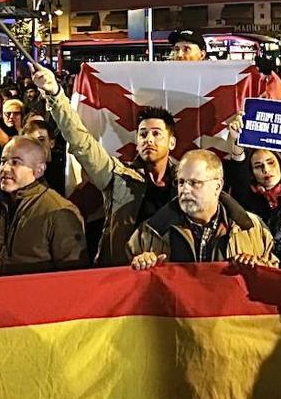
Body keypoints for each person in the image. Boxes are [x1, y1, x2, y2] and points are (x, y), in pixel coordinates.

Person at [32, 64, 181, 266]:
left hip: (173, 272)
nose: (149, 140)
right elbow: (81, 142)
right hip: (121, 273)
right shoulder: (119, 176)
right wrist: (56, 95)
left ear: (172, 142)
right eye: (143, 134)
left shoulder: (187, 181)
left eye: (157, 134)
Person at [128, 149, 275, 269]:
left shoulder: (253, 229)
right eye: (181, 182)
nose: (184, 189)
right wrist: (139, 264)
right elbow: (122, 284)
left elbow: (274, 278)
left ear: (218, 186)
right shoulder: (149, 233)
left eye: (194, 182)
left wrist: (261, 267)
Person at [0, 136, 87, 275]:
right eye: (3, 162)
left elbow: (74, 275)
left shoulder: (59, 211)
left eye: (15, 162)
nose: (5, 168)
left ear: (39, 170)